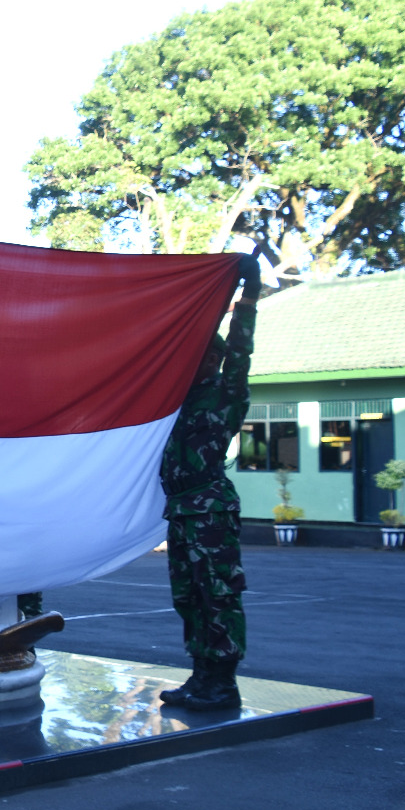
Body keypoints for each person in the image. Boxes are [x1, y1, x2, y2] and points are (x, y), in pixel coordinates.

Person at [158, 255, 261, 713]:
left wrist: (247, 297)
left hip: (210, 510)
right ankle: (201, 675)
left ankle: (223, 683)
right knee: (189, 596)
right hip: (181, 510)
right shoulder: (174, 402)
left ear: (216, 359)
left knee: (218, 595)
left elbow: (241, 351)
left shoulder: (226, 394)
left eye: (199, 356)